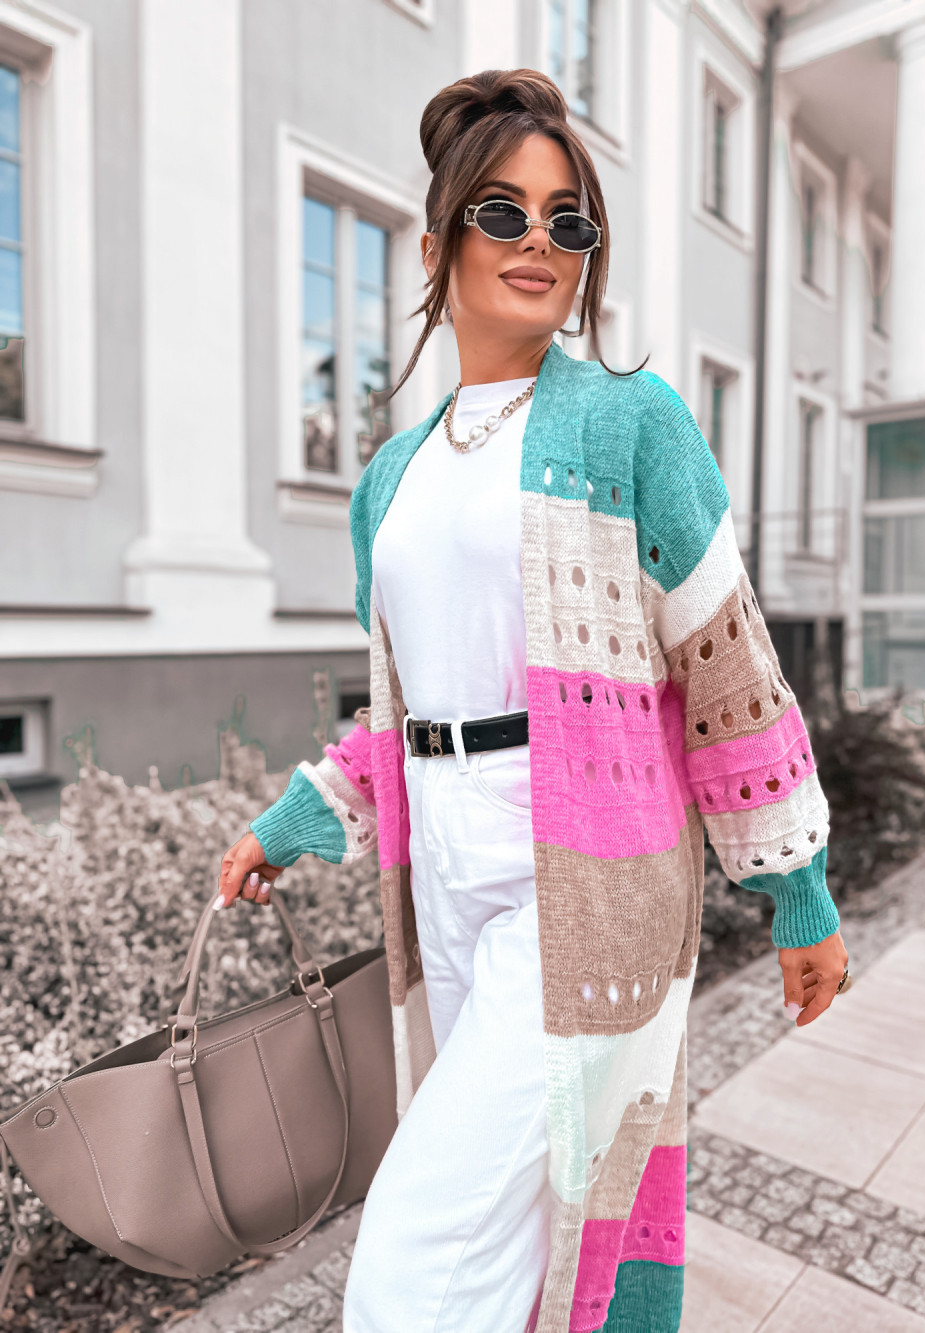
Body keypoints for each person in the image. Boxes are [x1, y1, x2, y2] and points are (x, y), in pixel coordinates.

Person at [214, 68, 850, 1333]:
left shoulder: (628, 424)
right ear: (437, 241)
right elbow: (400, 710)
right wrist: (290, 820)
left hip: (590, 877)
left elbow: (727, 666)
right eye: (502, 211)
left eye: (569, 221)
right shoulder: (388, 479)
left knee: (414, 1255)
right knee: (508, 1237)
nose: (538, 241)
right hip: (445, 871)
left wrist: (800, 889)